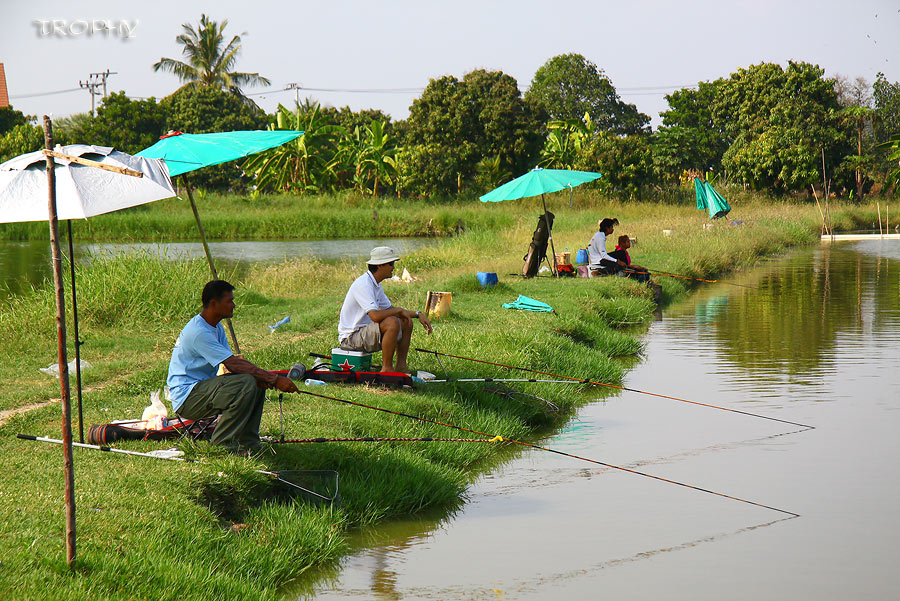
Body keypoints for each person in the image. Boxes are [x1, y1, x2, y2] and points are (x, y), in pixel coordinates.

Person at [167, 280, 298, 453]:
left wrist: (261, 379)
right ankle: (223, 445)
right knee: (245, 382)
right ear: (214, 303)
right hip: (187, 398)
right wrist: (274, 379)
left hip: (201, 389)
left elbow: (231, 365)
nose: (234, 305)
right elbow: (233, 363)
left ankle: (249, 442)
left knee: (254, 382)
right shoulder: (199, 332)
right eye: (229, 301)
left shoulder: (215, 327)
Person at [338, 246, 433, 373]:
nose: (393, 267)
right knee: (392, 322)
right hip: (351, 338)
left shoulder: (376, 284)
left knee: (405, 320)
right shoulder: (363, 284)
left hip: (364, 333)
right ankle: (387, 369)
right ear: (380, 265)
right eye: (391, 264)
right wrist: (398, 311)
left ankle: (401, 366)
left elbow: (390, 309)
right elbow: (375, 316)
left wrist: (417, 314)